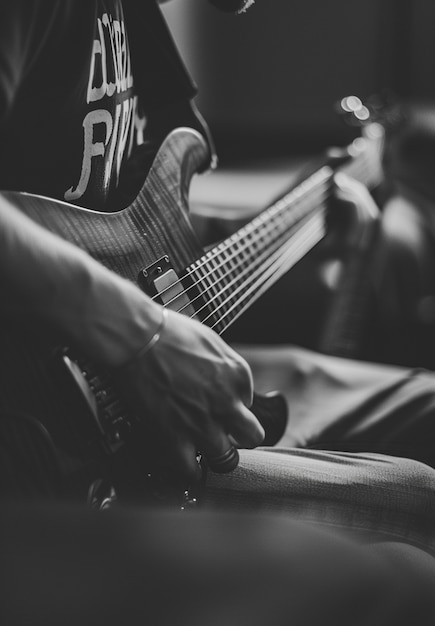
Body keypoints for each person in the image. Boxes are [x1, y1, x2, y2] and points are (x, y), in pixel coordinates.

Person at [2, 2, 435, 620]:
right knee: (419, 513)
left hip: (134, 402)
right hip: (45, 445)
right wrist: (140, 334)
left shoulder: (135, 16)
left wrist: (298, 220)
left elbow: (124, 227)